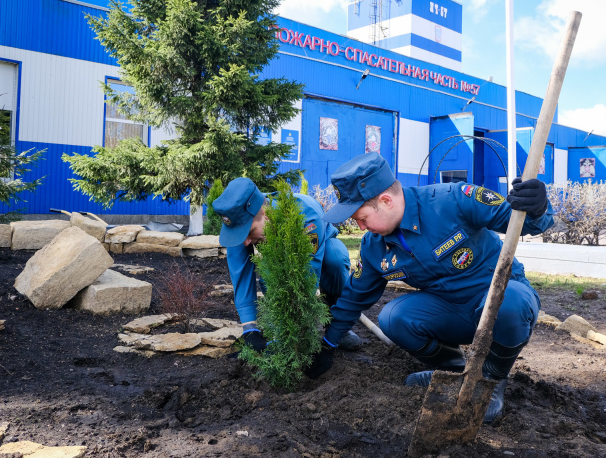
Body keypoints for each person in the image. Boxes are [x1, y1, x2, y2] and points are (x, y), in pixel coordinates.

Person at [305, 152, 553, 424]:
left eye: (361, 217)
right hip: (452, 313)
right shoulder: (373, 246)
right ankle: (454, 371)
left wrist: (537, 206)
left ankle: (489, 380)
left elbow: (521, 221)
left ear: (385, 201)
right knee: (392, 317)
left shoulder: (453, 200)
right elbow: (353, 298)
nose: (360, 226)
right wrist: (328, 343)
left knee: (511, 301)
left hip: (499, 303)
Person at [212, 177, 363, 352]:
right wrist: (250, 330)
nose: (245, 242)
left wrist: (300, 331)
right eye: (240, 235)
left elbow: (306, 276)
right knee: (270, 268)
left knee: (335, 258)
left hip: (323, 247)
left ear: (265, 213)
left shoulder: (305, 216)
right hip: (274, 252)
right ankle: (278, 326)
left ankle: (337, 325)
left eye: (250, 232)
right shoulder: (240, 220)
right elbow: (240, 273)